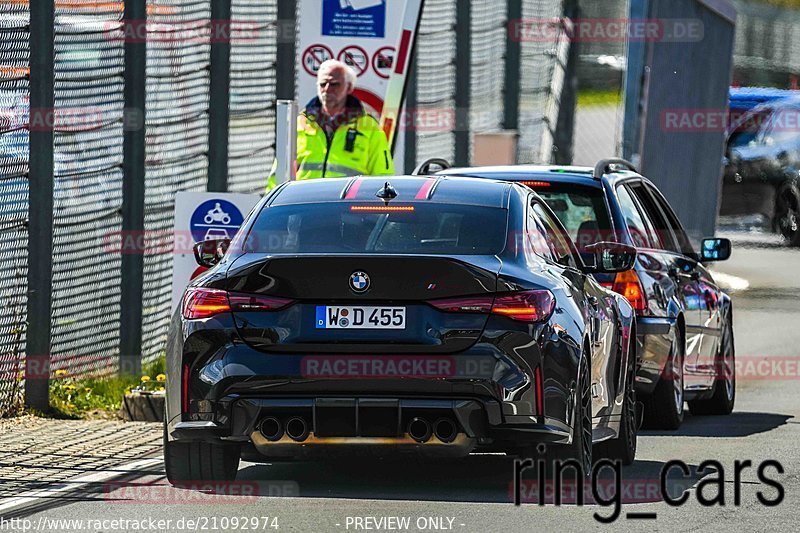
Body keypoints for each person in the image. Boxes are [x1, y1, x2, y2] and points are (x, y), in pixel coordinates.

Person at [266, 59, 395, 191]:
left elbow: (383, 176)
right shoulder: (300, 123)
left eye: (334, 84)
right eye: (323, 84)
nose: (327, 89)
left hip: (347, 206)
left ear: (349, 87)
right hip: (304, 204)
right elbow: (279, 173)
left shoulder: (370, 127)